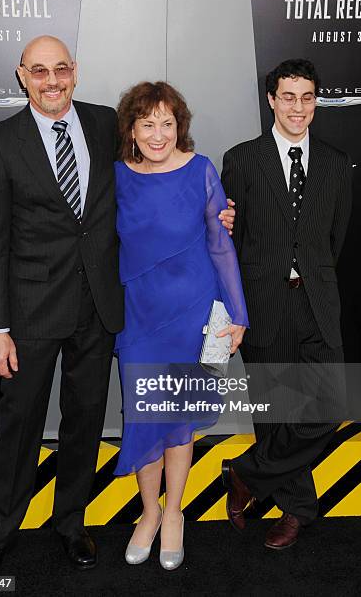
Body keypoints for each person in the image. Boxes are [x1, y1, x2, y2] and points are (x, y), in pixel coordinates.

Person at [0, 35, 124, 575]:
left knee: (85, 420)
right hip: (31, 312)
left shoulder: (107, 124)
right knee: (20, 425)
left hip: (98, 307)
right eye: (39, 71)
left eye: (60, 69)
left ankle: (71, 524)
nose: (51, 80)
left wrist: (211, 210)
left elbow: (154, 169)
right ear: (21, 76)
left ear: (75, 71)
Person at [113, 81, 249, 570]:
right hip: (137, 318)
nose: (157, 133)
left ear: (179, 127)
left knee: (179, 418)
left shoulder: (201, 171)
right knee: (145, 415)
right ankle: (147, 513)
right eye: (147, 123)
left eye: (166, 123)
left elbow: (219, 245)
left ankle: (174, 513)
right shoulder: (115, 178)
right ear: (131, 129)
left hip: (192, 313)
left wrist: (238, 313)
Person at [221, 59, 352, 549]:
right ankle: (296, 511)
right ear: (271, 99)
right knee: (277, 411)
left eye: (307, 97)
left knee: (328, 405)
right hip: (263, 300)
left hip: (318, 301)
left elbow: (334, 238)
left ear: (315, 101)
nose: (298, 107)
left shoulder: (337, 164)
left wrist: (308, 277)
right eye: (288, 97)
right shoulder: (241, 159)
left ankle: (247, 474)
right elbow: (228, 240)